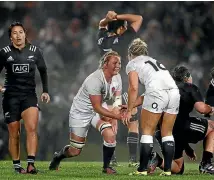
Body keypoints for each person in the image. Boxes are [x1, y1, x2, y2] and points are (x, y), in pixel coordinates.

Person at [49, 51, 124, 174]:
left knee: (110, 135)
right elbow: (97, 107)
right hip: (81, 112)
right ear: (105, 64)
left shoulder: (117, 77)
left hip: (97, 109)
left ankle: (107, 167)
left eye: (119, 63)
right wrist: (116, 116)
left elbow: (117, 100)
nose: (118, 65)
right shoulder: (94, 80)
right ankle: (58, 156)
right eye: (115, 62)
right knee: (75, 151)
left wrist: (115, 119)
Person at [123, 38, 180, 176]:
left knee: (147, 131)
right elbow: (151, 90)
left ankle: (142, 169)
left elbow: (133, 88)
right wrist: (131, 105)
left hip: (156, 93)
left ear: (130, 53)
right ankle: (167, 170)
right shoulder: (154, 61)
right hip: (174, 93)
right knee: (167, 133)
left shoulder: (132, 63)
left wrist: (129, 111)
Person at [0, 21, 50, 174]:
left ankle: (31, 164)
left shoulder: (35, 51)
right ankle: (17, 166)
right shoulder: (4, 52)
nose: (18, 35)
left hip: (29, 96)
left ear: (25, 34)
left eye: (21, 32)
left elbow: (43, 70)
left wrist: (45, 91)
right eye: (14, 33)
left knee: (32, 129)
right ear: (11, 37)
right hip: (10, 98)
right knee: (14, 132)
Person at [149, 66, 214, 175]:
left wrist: (187, 148)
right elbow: (202, 109)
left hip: (161, 131)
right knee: (212, 126)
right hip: (178, 126)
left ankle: (157, 159)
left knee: (178, 168)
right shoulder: (189, 87)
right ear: (187, 77)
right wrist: (210, 109)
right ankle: (206, 164)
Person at [97, 10, 143, 166]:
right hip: (122, 85)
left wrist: (107, 19)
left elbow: (101, 24)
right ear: (122, 28)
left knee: (110, 121)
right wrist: (117, 16)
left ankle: (112, 158)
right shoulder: (125, 39)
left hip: (105, 87)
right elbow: (138, 18)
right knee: (133, 121)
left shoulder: (101, 40)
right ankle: (132, 159)